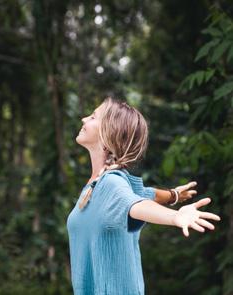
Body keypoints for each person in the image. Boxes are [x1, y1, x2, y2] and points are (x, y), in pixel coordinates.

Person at [66, 97, 220, 295]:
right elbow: (144, 195)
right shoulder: (96, 186)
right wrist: (172, 195)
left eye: (93, 117)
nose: (84, 119)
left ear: (108, 133)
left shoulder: (111, 183)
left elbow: (136, 205)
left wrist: (174, 217)